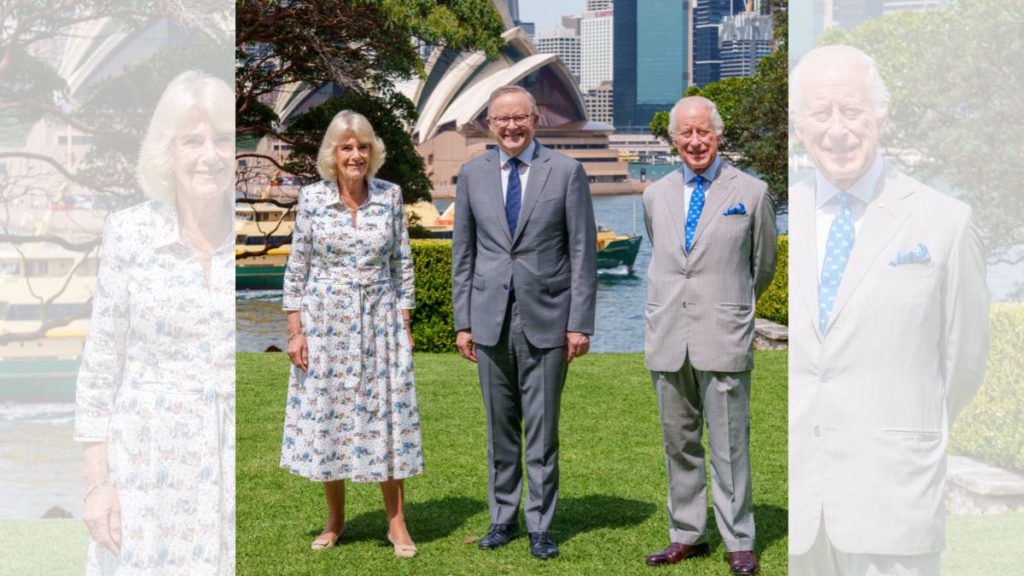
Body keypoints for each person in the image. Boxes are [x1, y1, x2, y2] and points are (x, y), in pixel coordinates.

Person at [788, 45, 989, 576]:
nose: (836, 130)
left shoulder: (945, 222)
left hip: (895, 499)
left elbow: (964, 363)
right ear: (799, 123)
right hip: (801, 510)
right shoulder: (784, 212)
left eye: (852, 111)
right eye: (820, 112)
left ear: (881, 114)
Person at [74, 70, 236, 574]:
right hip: (146, 471)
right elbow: (100, 368)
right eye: (193, 140)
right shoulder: (129, 233)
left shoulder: (250, 240)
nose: (210, 154)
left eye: (223, 139)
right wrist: (99, 485)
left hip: (232, 468)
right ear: (168, 152)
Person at [451, 85, 597, 560]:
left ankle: (540, 524)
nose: (510, 127)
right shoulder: (472, 174)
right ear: (489, 125)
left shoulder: (567, 172)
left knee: (542, 427)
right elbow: (464, 254)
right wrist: (463, 322)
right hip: (489, 318)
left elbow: (581, 253)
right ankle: (501, 518)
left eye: (519, 118)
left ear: (536, 119)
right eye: (501, 120)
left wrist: (580, 323)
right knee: (499, 429)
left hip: (549, 319)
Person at [642, 96, 777, 575]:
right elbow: (667, 254)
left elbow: (760, 268)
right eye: (685, 133)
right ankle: (687, 533)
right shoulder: (654, 195)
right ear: (674, 139)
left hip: (723, 334)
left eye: (703, 132)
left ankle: (739, 538)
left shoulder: (753, 192)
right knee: (678, 442)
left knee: (729, 445)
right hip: (668, 336)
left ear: (718, 135)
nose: (695, 141)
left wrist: (729, 305)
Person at [279, 110, 422, 558]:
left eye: (362, 146)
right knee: (330, 417)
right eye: (346, 147)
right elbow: (296, 268)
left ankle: (396, 524)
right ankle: (335, 519)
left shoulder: (391, 195)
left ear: (372, 152)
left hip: (380, 321)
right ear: (332, 154)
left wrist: (405, 324)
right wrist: (296, 331)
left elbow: (402, 264)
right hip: (325, 323)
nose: (355, 155)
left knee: (385, 415)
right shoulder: (312, 199)